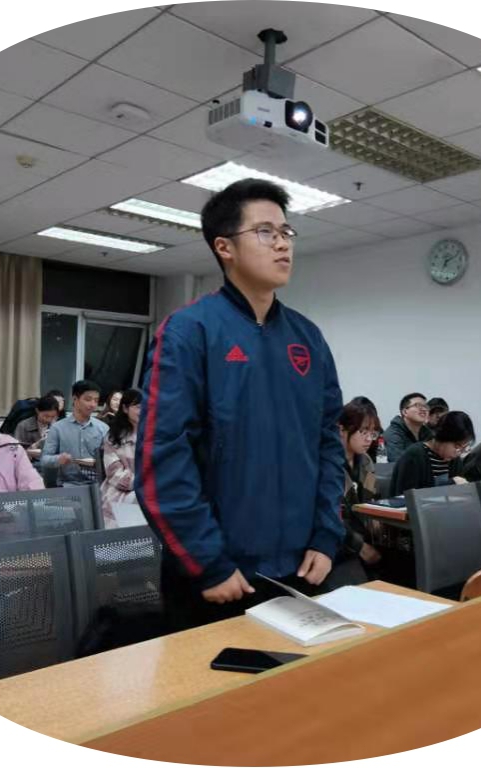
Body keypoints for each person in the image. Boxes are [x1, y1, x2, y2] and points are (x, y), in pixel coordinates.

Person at [135, 178, 345, 632]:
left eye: (287, 232)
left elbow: (328, 444)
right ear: (224, 247)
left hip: (302, 568)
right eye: (266, 232)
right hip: (218, 576)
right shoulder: (189, 331)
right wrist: (207, 561)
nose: (283, 244)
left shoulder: (308, 337)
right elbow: (161, 460)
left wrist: (327, 537)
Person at [339, 401, 382, 569]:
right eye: (363, 431)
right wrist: (360, 546)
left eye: (373, 433)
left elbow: (373, 497)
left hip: (365, 536)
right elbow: (330, 517)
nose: (369, 439)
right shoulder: (328, 465)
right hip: (339, 544)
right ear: (342, 429)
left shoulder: (365, 461)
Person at [41, 380, 108, 486]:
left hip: (96, 484)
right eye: (88, 399)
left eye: (96, 401)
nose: (93, 405)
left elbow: (110, 459)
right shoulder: (58, 428)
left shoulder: (103, 428)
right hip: (67, 484)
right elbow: (44, 459)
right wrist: (58, 459)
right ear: (75, 399)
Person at [390, 411, 474, 496]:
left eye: (464, 448)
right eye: (457, 446)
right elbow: (407, 497)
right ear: (444, 437)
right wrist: (450, 484)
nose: (459, 452)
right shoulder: (414, 456)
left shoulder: (454, 460)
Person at [100, 389, 142, 528]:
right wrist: (142, 484)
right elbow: (114, 473)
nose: (143, 411)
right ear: (125, 408)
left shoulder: (156, 436)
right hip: (120, 490)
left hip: (151, 490)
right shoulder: (113, 437)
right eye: (138, 407)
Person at [384, 393, 433, 462]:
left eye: (425, 406)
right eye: (417, 405)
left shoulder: (427, 433)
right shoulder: (393, 433)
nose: (423, 409)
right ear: (405, 412)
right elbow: (397, 462)